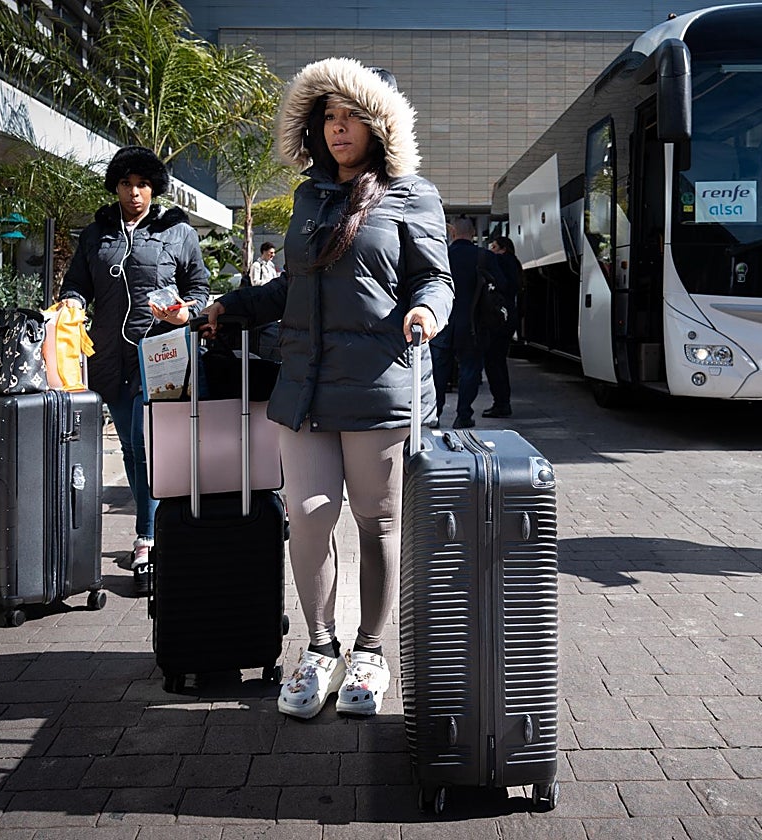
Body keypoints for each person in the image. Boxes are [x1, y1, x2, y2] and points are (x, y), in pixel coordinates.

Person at [201, 57, 453, 718]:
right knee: (309, 517)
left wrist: (426, 311)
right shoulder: (310, 196)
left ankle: (371, 652)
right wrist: (236, 305)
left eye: (352, 118)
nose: (339, 130)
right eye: (329, 118)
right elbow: (296, 288)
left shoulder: (411, 193)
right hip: (303, 388)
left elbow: (436, 278)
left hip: (379, 390)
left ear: (379, 126)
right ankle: (320, 648)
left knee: (378, 523)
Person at [57, 146, 210, 596]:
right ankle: (154, 528)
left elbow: (199, 285)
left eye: (143, 184)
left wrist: (189, 311)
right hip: (108, 357)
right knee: (129, 446)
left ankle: (149, 536)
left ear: (154, 188)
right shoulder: (96, 234)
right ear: (117, 186)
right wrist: (73, 301)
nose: (135, 192)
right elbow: (77, 283)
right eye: (127, 184)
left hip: (161, 354)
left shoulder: (177, 232)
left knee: (152, 447)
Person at [430, 216, 507, 428]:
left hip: (441, 323)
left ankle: (434, 414)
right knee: (470, 370)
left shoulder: (441, 256)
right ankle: (463, 414)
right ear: (473, 234)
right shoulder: (484, 256)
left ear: (452, 234)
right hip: (474, 323)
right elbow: (502, 284)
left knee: (438, 371)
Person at [482, 235, 522, 418]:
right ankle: (502, 401)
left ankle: (501, 403)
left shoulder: (500, 262)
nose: (492, 250)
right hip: (510, 315)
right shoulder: (515, 263)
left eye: (494, 247)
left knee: (493, 361)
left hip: (499, 317)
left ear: (503, 248)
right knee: (498, 360)